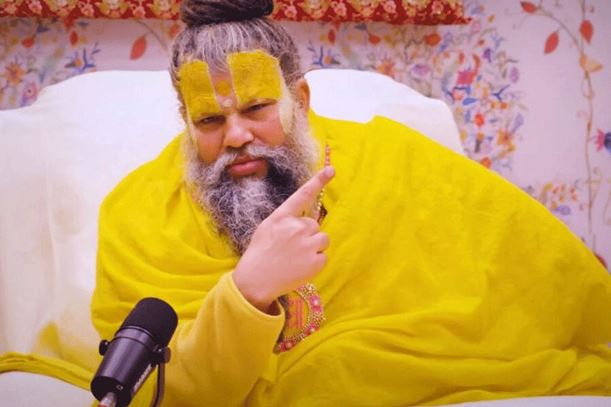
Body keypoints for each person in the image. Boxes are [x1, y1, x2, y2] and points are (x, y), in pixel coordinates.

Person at [91, 0, 611, 405]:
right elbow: (155, 390)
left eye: (256, 108)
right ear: (185, 120)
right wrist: (248, 292)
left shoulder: (392, 158)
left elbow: (533, 263)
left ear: (301, 101)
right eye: (209, 120)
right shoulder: (138, 212)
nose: (235, 136)